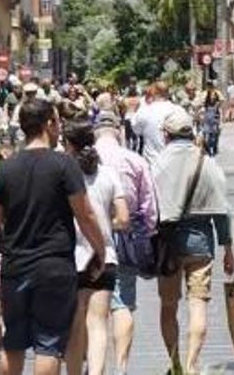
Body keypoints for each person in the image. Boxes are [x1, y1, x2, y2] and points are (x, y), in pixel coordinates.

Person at [0, 98, 106, 375]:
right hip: (54, 265)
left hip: (16, 265)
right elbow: (85, 214)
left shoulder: (5, 168)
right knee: (49, 343)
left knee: (13, 342)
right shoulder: (64, 165)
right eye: (57, 122)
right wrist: (100, 250)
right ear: (49, 124)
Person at [153, 108, 234, 375]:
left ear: (166, 135)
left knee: (168, 306)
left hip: (167, 244)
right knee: (198, 304)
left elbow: (148, 206)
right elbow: (222, 211)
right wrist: (228, 248)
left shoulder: (157, 163)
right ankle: (192, 365)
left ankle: (175, 363)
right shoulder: (207, 162)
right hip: (201, 243)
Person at [91, 111, 157, 375]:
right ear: (118, 131)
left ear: (95, 132)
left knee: (92, 306)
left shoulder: (82, 159)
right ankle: (121, 367)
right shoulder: (135, 160)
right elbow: (149, 204)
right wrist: (148, 235)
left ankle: (93, 365)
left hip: (90, 236)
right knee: (123, 301)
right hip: (126, 235)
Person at [62, 119, 128, 375]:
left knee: (74, 326)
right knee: (98, 323)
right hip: (104, 256)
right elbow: (123, 218)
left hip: (71, 257)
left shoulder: (63, 175)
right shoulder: (108, 174)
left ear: (69, 144)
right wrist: (105, 224)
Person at [130, 81, 180, 164]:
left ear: (154, 92)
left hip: (152, 162)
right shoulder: (178, 110)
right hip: (174, 162)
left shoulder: (145, 111)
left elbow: (136, 129)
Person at [199, 84, 222, 157]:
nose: (213, 98)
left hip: (214, 121)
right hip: (207, 121)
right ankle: (208, 149)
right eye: (211, 97)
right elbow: (201, 106)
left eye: (214, 97)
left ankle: (214, 147)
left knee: (214, 135)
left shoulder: (217, 104)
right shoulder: (206, 104)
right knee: (207, 136)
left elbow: (222, 100)